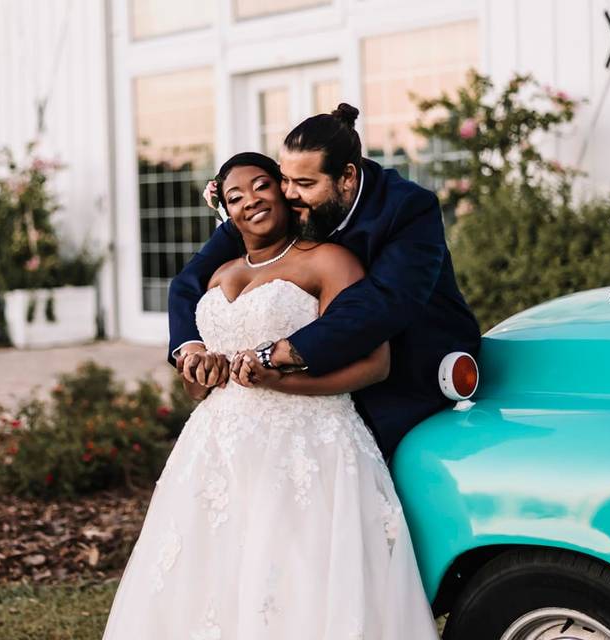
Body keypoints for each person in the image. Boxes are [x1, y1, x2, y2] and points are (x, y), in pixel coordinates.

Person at [101, 152, 440, 639]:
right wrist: (202, 365)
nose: (250, 201)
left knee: (300, 577)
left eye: (261, 186)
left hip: (309, 448)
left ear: (284, 189)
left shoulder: (329, 260)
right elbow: (198, 389)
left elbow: (375, 364)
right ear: (225, 209)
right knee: (216, 577)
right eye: (235, 196)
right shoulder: (216, 275)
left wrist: (282, 380)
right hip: (219, 451)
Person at [169, 103, 481, 464]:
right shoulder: (282, 206)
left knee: (382, 475)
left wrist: (278, 353)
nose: (288, 194)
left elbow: (383, 303)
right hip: (312, 379)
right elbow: (187, 283)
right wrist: (190, 349)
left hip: (411, 370)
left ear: (347, 177)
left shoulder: (408, 209)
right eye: (284, 179)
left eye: (304, 184)